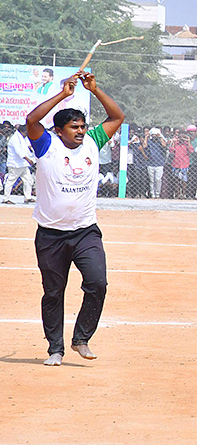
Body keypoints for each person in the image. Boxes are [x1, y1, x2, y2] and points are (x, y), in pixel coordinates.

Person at [25, 72, 124, 366]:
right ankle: (55, 348)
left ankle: (81, 338)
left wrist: (94, 89)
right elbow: (32, 120)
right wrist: (63, 95)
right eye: (73, 127)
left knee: (98, 283)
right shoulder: (46, 146)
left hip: (85, 232)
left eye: (82, 126)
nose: (80, 131)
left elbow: (117, 116)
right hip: (51, 235)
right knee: (53, 293)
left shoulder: (93, 142)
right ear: (58, 130)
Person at [5, 124, 36, 204]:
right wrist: (28, 159)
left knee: (28, 180)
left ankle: (27, 197)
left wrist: (31, 149)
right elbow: (19, 152)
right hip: (15, 164)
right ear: (23, 131)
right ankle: (6, 198)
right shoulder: (15, 138)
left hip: (22, 164)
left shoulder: (23, 138)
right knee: (11, 181)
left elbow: (27, 145)